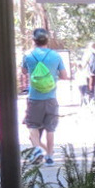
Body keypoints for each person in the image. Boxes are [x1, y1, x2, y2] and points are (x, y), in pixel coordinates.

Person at [20, 27, 68, 165]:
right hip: (51, 98)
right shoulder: (56, 56)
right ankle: (50, 157)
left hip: (34, 98)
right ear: (48, 39)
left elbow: (23, 71)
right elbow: (64, 76)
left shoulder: (28, 55)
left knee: (31, 124)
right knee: (50, 128)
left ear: (33, 40)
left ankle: (37, 149)